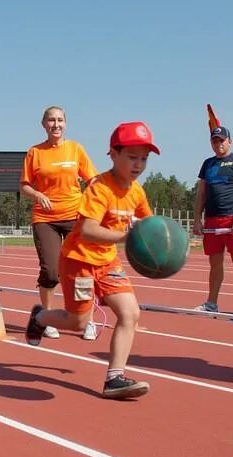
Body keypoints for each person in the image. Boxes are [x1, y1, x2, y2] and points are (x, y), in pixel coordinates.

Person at [25, 122, 159, 399]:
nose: (138, 164)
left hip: (108, 264)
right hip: (79, 262)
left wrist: (164, 240)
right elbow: (87, 229)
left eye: (144, 158)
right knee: (77, 322)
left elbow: (149, 223)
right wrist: (126, 236)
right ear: (113, 154)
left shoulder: (137, 192)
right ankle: (39, 318)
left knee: (130, 313)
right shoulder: (100, 187)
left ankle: (114, 378)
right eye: (132, 157)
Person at [20, 106, 99, 340]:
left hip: (75, 215)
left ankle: (88, 320)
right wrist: (37, 195)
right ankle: (47, 318)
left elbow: (92, 178)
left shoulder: (75, 149)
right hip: (45, 219)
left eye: (60, 120)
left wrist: (93, 195)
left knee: (82, 268)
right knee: (51, 271)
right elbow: (24, 185)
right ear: (43, 124)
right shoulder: (35, 152)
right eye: (51, 120)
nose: (56, 124)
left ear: (66, 124)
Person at [192, 126, 233, 316]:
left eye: (221, 140)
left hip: (232, 219)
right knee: (215, 264)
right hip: (211, 220)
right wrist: (197, 220)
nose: (218, 144)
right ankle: (212, 303)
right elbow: (201, 194)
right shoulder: (207, 164)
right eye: (215, 141)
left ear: (229, 141)